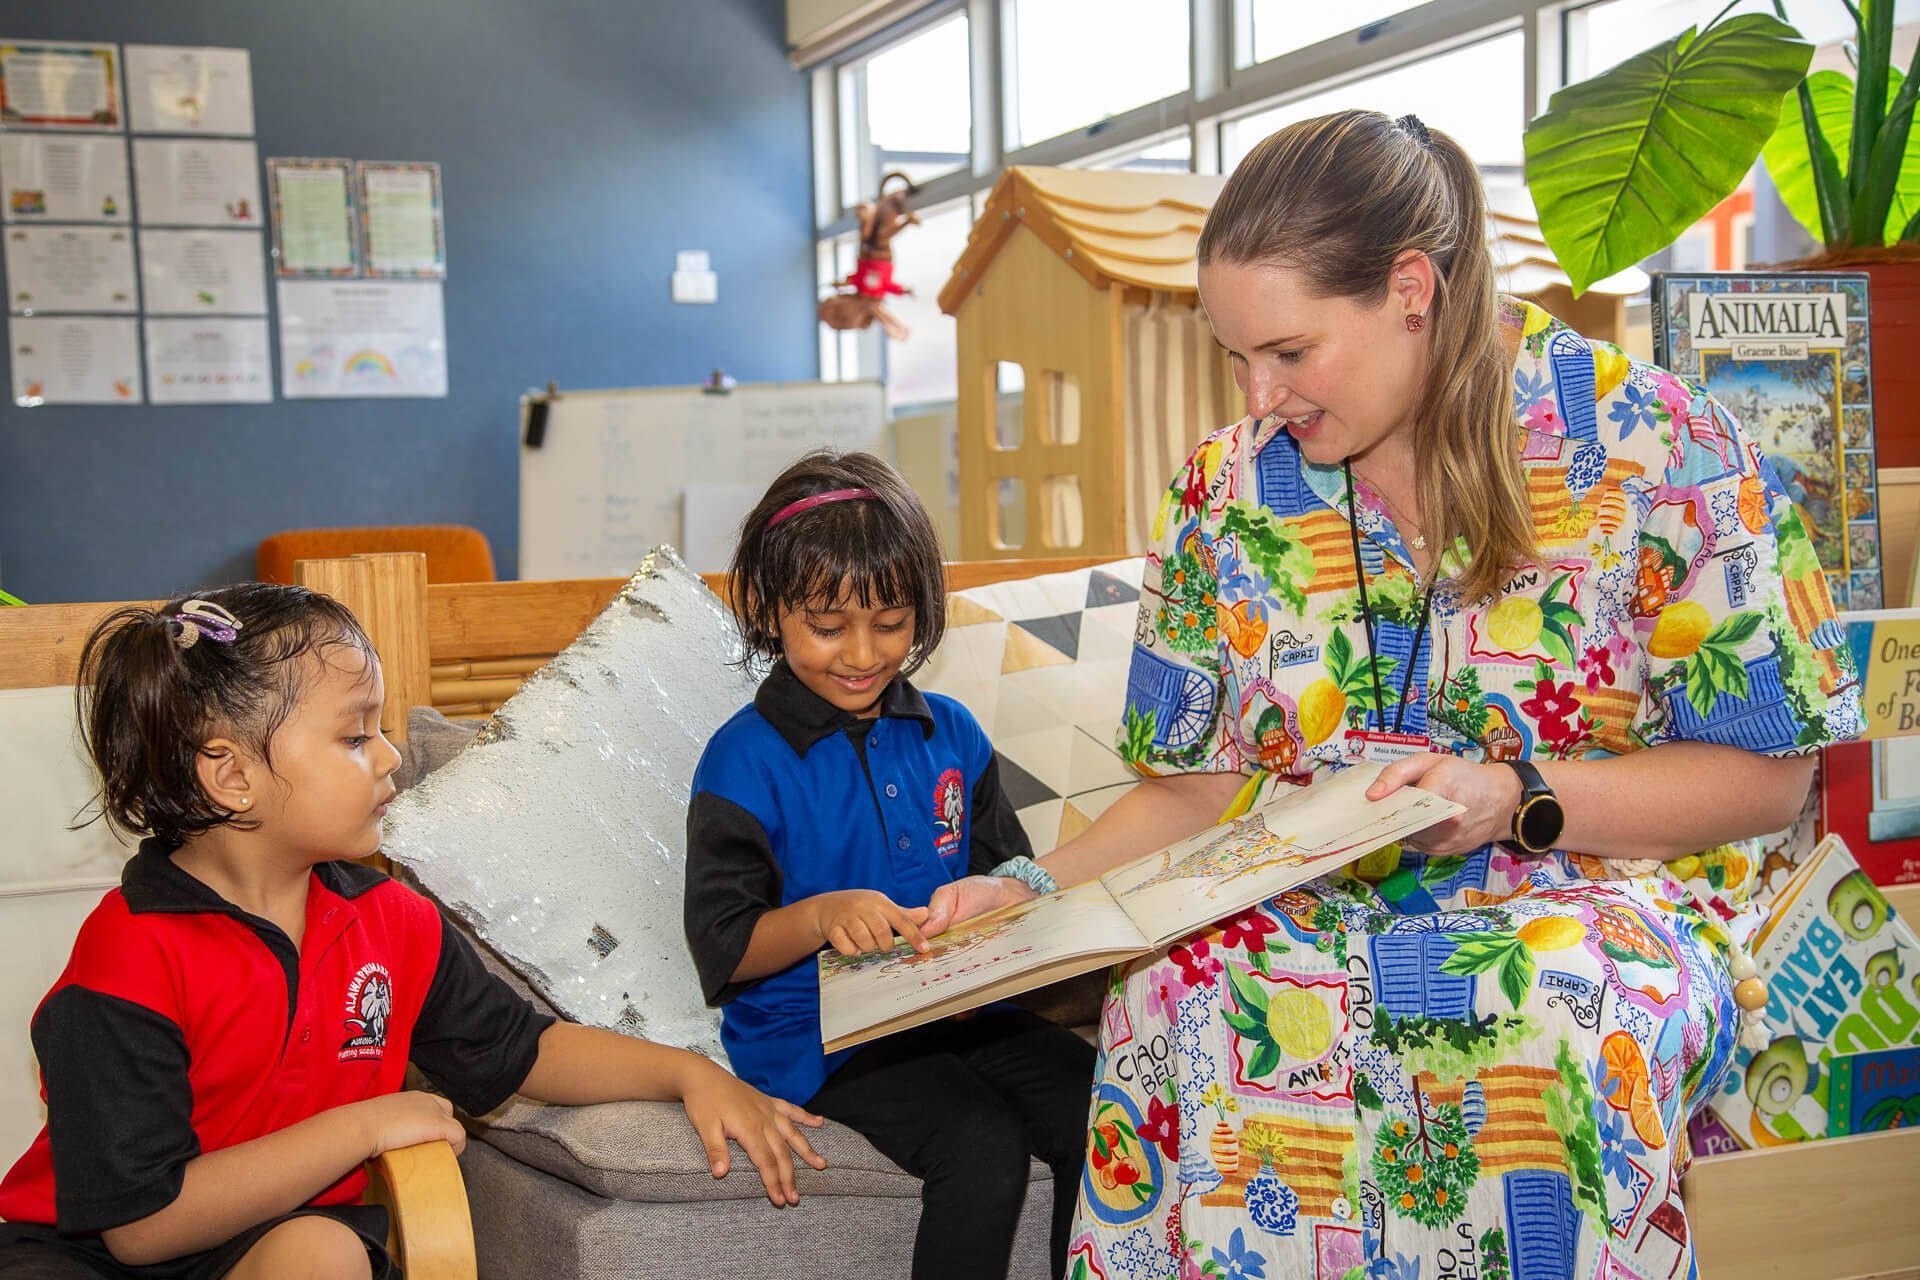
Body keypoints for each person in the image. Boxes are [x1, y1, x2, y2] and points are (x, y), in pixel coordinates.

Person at [923, 110, 1862, 1279]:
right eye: (1236, 355)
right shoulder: (1228, 489)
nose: (1260, 395)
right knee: (1175, 982)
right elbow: (1195, 791)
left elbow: (1774, 779)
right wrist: (1019, 892)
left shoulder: (1662, 448)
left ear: (1411, 289)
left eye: (1291, 351)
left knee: (1552, 1007)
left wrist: (1516, 792)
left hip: (1593, 890)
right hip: (1306, 894)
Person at [0, 584, 825, 1280]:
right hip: (81, 1257)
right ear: (232, 776)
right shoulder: (129, 955)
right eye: (356, 736)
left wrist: (687, 1073)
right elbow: (142, 1226)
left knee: (324, 1255)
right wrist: (363, 1126)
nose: (393, 755)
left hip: (276, 1244)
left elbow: (525, 1050)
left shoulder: (393, 920)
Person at [683, 450, 1096, 1280]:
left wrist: (1008, 903)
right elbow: (723, 950)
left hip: (961, 1009)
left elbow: (1006, 878)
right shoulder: (741, 762)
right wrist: (821, 916)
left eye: (892, 623)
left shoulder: (952, 732)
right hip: (821, 1036)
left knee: (1106, 1102)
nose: (862, 654)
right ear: (766, 609)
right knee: (981, 1146)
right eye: (828, 627)